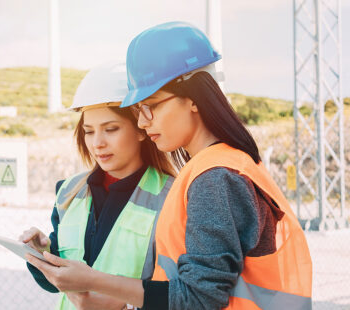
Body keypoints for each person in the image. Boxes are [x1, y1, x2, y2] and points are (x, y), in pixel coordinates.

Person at [26, 22, 313, 310]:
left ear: (193, 100)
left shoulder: (215, 178)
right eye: (139, 110)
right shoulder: (220, 167)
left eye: (152, 105)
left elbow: (198, 299)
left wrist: (94, 281)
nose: (142, 121)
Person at [19, 62, 176, 310]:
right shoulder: (68, 191)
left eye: (110, 129)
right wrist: (43, 254)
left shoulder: (173, 198)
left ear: (141, 130)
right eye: (89, 131)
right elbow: (56, 283)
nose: (97, 143)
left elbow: (183, 295)